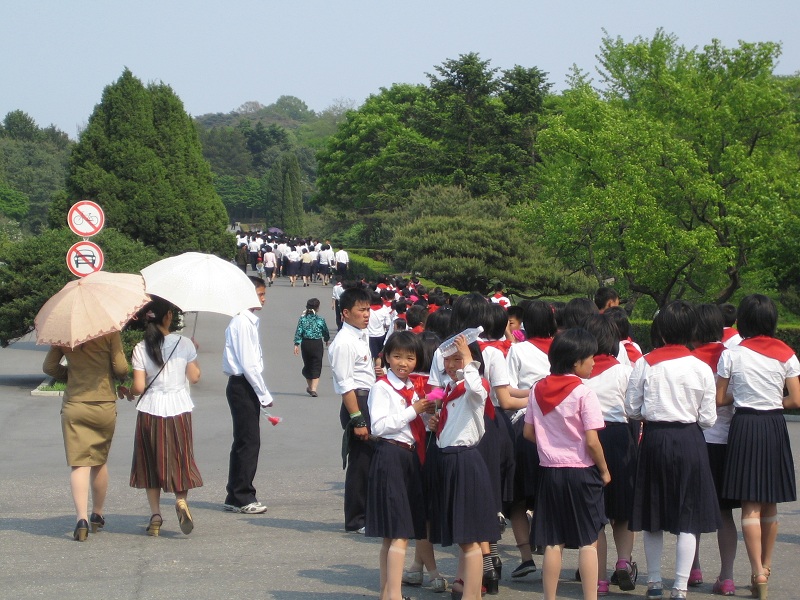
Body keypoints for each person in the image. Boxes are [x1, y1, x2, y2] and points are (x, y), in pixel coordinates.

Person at [625, 301, 721, 600]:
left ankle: (654, 583)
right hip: (690, 440)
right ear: (692, 330)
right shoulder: (701, 367)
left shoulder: (645, 362)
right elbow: (708, 418)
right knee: (688, 515)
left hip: (654, 438)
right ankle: (679, 588)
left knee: (652, 512)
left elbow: (631, 407)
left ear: (661, 331)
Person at [717, 294, 800, 600]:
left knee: (749, 505)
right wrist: (772, 400)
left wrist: (743, 397)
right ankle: (767, 564)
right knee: (771, 502)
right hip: (774, 426)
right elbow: (796, 400)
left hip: (745, 425)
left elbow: (720, 397)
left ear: (744, 320)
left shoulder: (733, 354)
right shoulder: (787, 353)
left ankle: (756, 573)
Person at [524, 328, 611, 600]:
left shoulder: (538, 388)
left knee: (552, 542)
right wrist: (605, 471)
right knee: (588, 541)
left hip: (550, 472)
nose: (594, 362)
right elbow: (592, 441)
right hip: (582, 472)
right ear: (576, 361)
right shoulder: (584, 393)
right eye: (590, 357)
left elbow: (528, 433)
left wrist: (551, 443)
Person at [428, 334, 499, 600]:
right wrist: (436, 428)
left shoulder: (474, 385)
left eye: (457, 358)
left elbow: (479, 391)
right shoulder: (451, 388)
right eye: (447, 359)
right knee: (463, 536)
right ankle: (467, 590)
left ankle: (471, 595)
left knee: (470, 538)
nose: (451, 364)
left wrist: (468, 362)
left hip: (464, 461)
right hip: (449, 458)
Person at [366, 332, 433, 600]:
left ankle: (387, 593)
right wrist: (414, 410)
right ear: (386, 358)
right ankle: (393, 595)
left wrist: (428, 418)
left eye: (409, 357)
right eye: (397, 356)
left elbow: (417, 421)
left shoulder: (412, 388)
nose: (403, 363)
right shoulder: (381, 387)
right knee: (399, 534)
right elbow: (379, 427)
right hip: (391, 455)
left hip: (407, 457)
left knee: (392, 536)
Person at [43, 332, 129, 541]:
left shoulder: (66, 332)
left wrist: (71, 374)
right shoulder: (109, 332)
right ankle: (97, 514)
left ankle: (81, 520)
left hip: (75, 403)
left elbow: (49, 367)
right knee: (99, 461)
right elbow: (121, 368)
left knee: (79, 463)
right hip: (103, 404)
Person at [129, 298, 202, 536]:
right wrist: (193, 354)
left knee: (151, 461)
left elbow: (139, 387)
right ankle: (181, 500)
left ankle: (155, 515)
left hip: (151, 409)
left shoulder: (140, 348)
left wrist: (127, 391)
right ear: (168, 316)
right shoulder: (184, 344)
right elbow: (195, 377)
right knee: (181, 457)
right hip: (179, 407)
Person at [580, 315, 637, 596]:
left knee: (596, 514)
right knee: (623, 511)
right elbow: (634, 409)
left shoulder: (581, 375)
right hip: (619, 438)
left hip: (590, 441)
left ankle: (599, 580)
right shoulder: (624, 372)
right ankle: (624, 561)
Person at [689, 304, 738, 596]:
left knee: (691, 511)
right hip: (726, 442)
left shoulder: (690, 359)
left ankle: (693, 569)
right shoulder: (733, 356)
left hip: (697, 440)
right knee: (725, 514)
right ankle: (728, 576)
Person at [329, 286, 383, 533]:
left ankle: (368, 514)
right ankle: (356, 519)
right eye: (361, 310)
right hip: (357, 403)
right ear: (345, 313)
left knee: (370, 461)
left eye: (368, 309)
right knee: (360, 463)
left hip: (368, 399)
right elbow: (345, 384)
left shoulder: (360, 336)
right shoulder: (343, 342)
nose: (367, 314)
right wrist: (357, 419)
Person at [222, 276, 274, 514]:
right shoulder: (242, 322)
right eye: (259, 294)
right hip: (243, 384)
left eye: (263, 294)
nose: (263, 298)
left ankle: (234, 494)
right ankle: (244, 495)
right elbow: (249, 364)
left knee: (244, 440)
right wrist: (264, 395)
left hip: (243, 384)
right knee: (249, 441)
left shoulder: (249, 321)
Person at [293, 298, 330, 397]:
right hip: (317, 343)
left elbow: (299, 331)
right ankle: (313, 389)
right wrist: (326, 339)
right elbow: (325, 331)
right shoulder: (320, 319)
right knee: (317, 364)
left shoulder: (302, 319)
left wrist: (296, 344)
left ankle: (310, 387)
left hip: (306, 343)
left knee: (308, 364)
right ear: (318, 308)